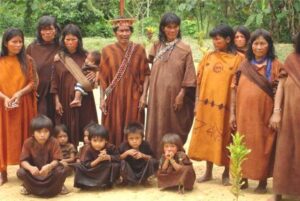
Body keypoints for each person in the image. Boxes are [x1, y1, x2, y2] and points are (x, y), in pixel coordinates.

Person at [188, 24, 244, 185]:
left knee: (227, 137)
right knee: (207, 137)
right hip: (206, 107)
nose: (214, 41)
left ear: (228, 39)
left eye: (217, 38)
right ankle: (208, 171)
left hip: (226, 107)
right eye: (213, 38)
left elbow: (240, 85)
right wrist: (197, 103)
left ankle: (226, 173)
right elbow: (199, 81)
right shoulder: (208, 57)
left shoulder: (239, 59)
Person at [230, 29, 282, 193]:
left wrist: (276, 112)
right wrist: (232, 113)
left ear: (269, 45)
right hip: (243, 115)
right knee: (242, 144)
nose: (259, 47)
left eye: (263, 43)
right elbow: (234, 89)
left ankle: (262, 182)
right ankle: (242, 178)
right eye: (255, 43)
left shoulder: (275, 65)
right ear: (250, 45)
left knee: (263, 145)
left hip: (264, 115)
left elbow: (280, 90)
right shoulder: (243, 65)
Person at [146, 12, 196, 158]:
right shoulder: (156, 46)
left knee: (173, 124)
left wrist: (181, 95)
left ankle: (173, 156)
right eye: (169, 27)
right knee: (156, 123)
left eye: (175, 27)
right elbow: (148, 70)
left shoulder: (185, 48)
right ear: (163, 28)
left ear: (179, 29)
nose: (172, 30)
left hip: (174, 95)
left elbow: (189, 74)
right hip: (156, 96)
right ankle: (155, 157)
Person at [99, 16, 150, 146]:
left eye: (127, 30)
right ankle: (115, 156)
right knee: (113, 126)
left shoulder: (139, 49)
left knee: (133, 127)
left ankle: (132, 157)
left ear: (131, 32)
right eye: (121, 31)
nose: (124, 34)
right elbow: (103, 77)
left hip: (134, 97)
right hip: (114, 97)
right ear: (115, 32)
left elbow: (146, 74)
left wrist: (144, 96)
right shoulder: (107, 51)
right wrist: (101, 99)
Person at [0, 28, 37, 185]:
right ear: (5, 43)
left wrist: (19, 93)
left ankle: (26, 170)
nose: (18, 45)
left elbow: (33, 82)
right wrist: (4, 98)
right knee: (2, 137)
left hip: (23, 105)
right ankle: (2, 171)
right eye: (14, 42)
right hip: (3, 106)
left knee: (25, 136)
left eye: (20, 42)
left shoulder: (27, 60)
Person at [51, 24, 98, 146]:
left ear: (79, 40)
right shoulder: (59, 58)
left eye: (73, 39)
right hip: (65, 99)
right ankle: (71, 155)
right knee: (67, 128)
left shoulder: (87, 56)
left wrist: (96, 75)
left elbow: (100, 70)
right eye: (67, 39)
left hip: (85, 99)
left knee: (87, 128)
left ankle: (86, 154)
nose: (70, 42)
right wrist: (56, 101)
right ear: (63, 40)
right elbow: (54, 81)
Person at [268, 32, 300, 201]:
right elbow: (280, 87)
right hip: (289, 116)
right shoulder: (291, 60)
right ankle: (277, 193)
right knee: (284, 151)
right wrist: (276, 112)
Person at [17, 115, 68, 197]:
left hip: (50, 173)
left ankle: (59, 185)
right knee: (21, 172)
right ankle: (27, 186)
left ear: (50, 132)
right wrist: (31, 168)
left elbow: (57, 160)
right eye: (39, 132)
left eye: (46, 131)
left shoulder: (54, 141)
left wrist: (50, 166)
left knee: (63, 169)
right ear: (33, 132)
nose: (42, 135)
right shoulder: (28, 142)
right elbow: (23, 161)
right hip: (34, 173)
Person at [26, 15, 60, 120]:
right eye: (43, 29)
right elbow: (26, 69)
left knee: (58, 122)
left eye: (50, 29)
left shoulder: (62, 46)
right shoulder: (32, 47)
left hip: (57, 92)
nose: (47, 32)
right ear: (39, 31)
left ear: (56, 30)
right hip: (39, 92)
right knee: (41, 121)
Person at [72, 124, 120, 189]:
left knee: (115, 165)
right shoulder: (87, 148)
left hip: (104, 169)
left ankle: (107, 183)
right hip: (91, 170)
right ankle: (87, 184)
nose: (97, 143)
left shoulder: (110, 147)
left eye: (101, 141)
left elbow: (118, 157)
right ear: (90, 140)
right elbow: (87, 165)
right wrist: (99, 159)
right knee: (78, 166)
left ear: (106, 140)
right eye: (94, 140)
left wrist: (108, 157)